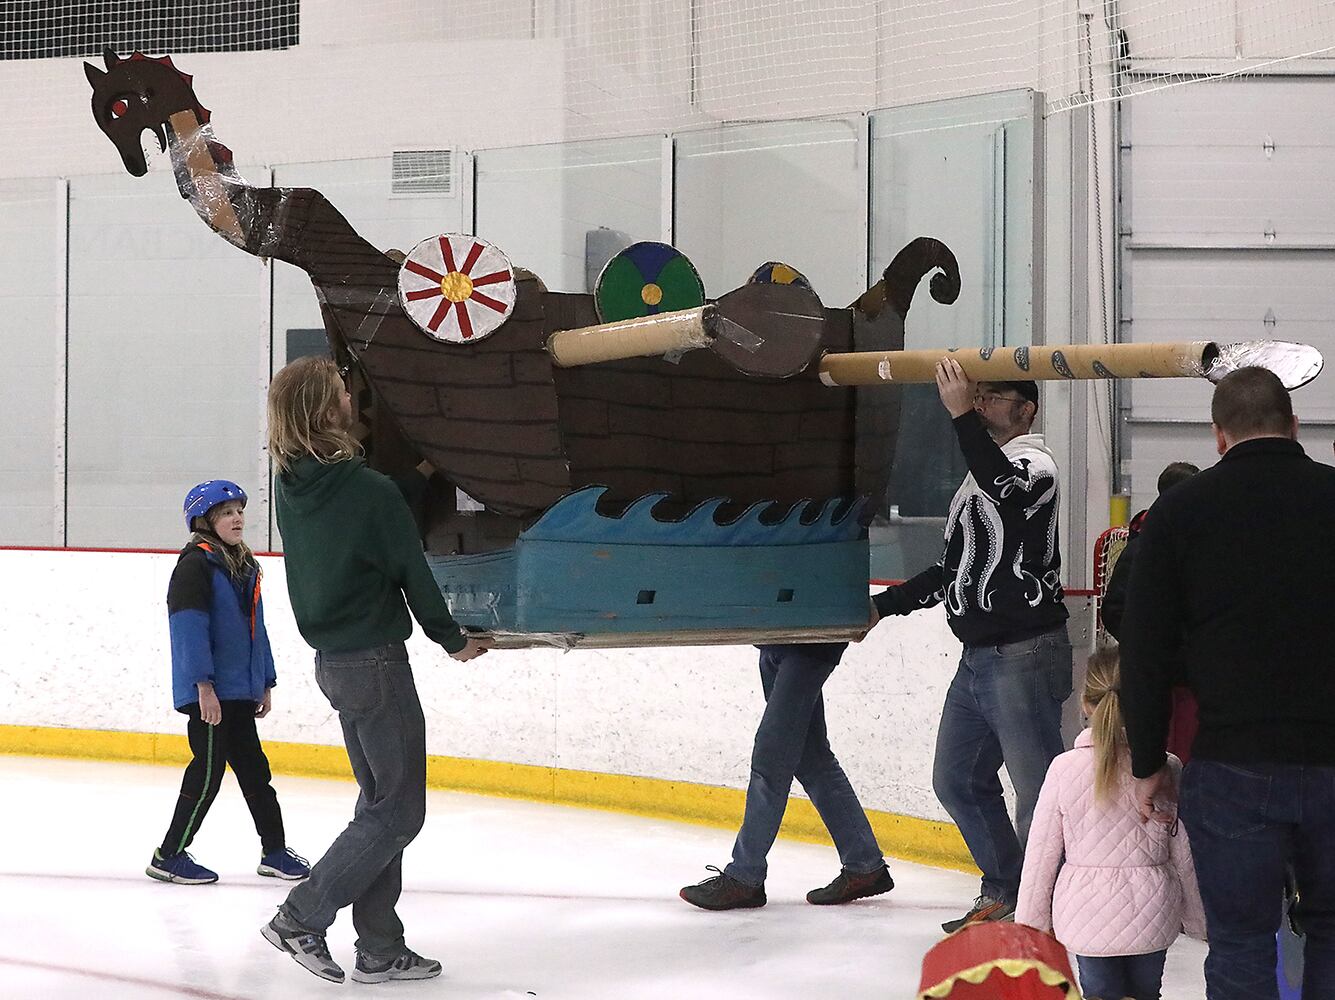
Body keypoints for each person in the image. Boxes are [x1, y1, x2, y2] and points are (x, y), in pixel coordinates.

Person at [259, 357, 489, 985]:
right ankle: (301, 916)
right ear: (324, 409)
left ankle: (381, 946)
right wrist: (453, 640)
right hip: (377, 664)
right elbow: (411, 570)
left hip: (335, 665)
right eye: (343, 393)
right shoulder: (369, 491)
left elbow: (366, 520)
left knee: (380, 805)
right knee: (400, 812)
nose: (353, 403)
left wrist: (418, 474)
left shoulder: (293, 485)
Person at [1121, 366, 1335, 997]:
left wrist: (1146, 761)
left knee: (1241, 942)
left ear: (1218, 436)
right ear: (1294, 426)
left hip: (1233, 765)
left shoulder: (1179, 512)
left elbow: (1144, 648)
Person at [868, 359, 1072, 932]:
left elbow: (1007, 492)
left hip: (1023, 653)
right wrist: (885, 606)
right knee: (956, 778)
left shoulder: (1036, 465)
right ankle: (1007, 887)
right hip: (979, 659)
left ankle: (1046, 908)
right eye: (976, 396)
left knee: (1038, 792)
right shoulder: (977, 476)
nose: (980, 404)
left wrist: (959, 416)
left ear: (1027, 409)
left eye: (993, 397)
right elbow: (952, 567)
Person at [1016, 646, 1205, 1000]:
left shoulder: (1063, 769)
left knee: (1100, 995)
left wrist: (1030, 926)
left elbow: (1040, 856)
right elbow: (1185, 853)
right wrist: (1198, 920)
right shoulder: (1167, 767)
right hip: (1153, 911)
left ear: (1086, 704)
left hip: (1086, 915)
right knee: (1147, 994)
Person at [147, 480, 311, 886]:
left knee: (256, 773)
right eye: (226, 513)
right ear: (204, 521)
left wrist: (265, 680)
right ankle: (169, 855)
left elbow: (257, 629)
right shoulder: (195, 566)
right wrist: (203, 686)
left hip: (239, 690)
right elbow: (188, 629)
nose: (237, 518)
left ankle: (275, 851)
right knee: (207, 773)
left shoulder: (244, 566)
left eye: (239, 511)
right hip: (211, 694)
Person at [678, 642, 893, 910]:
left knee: (771, 759)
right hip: (774, 641)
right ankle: (864, 863)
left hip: (809, 647)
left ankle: (745, 876)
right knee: (813, 758)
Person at [1102, 461, 1200, 763]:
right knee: (1167, 755)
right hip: (1162, 678)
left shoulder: (1189, 541)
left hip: (1184, 677)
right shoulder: (1143, 547)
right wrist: (1147, 645)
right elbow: (1115, 609)